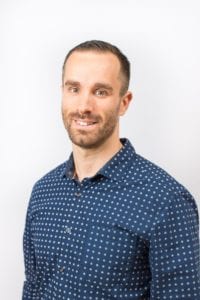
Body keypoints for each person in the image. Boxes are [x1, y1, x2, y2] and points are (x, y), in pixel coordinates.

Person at [22, 40, 200, 300]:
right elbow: (34, 289)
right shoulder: (43, 192)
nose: (84, 106)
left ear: (124, 102)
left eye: (101, 92)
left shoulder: (167, 200)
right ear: (62, 92)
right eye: (74, 89)